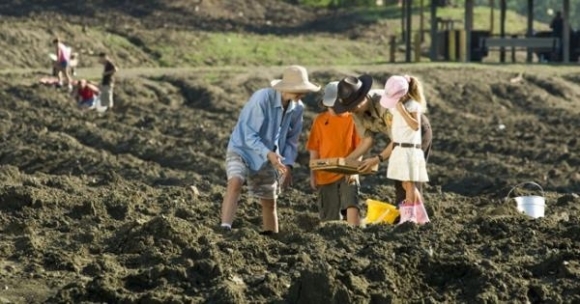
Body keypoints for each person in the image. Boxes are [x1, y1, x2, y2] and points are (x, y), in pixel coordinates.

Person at [220, 65, 321, 234]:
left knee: (269, 200)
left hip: (269, 155)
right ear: (286, 88)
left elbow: (292, 140)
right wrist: (269, 154)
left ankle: (271, 237)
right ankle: (225, 227)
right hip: (242, 148)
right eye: (299, 90)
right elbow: (248, 133)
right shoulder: (262, 98)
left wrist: (288, 165)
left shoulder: (298, 108)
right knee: (235, 182)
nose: (303, 94)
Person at [333, 75, 432, 208]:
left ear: (362, 98)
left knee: (408, 178)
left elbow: (399, 140)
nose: (350, 110)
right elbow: (367, 140)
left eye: (352, 106)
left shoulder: (386, 105)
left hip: (415, 133)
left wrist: (377, 159)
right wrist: (348, 165)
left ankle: (412, 218)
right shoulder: (356, 112)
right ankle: (406, 215)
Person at [307, 81, 362, 226]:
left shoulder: (353, 119)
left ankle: (354, 232)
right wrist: (313, 174)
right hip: (324, 172)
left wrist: (354, 169)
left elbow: (360, 147)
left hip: (348, 170)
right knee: (329, 217)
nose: (334, 109)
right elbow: (314, 149)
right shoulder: (319, 120)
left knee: (352, 203)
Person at [381, 75, 429, 224]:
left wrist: (402, 112)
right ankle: (421, 215)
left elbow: (415, 125)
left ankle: (410, 217)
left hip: (410, 149)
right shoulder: (396, 107)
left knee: (409, 184)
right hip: (400, 148)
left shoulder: (413, 105)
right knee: (404, 183)